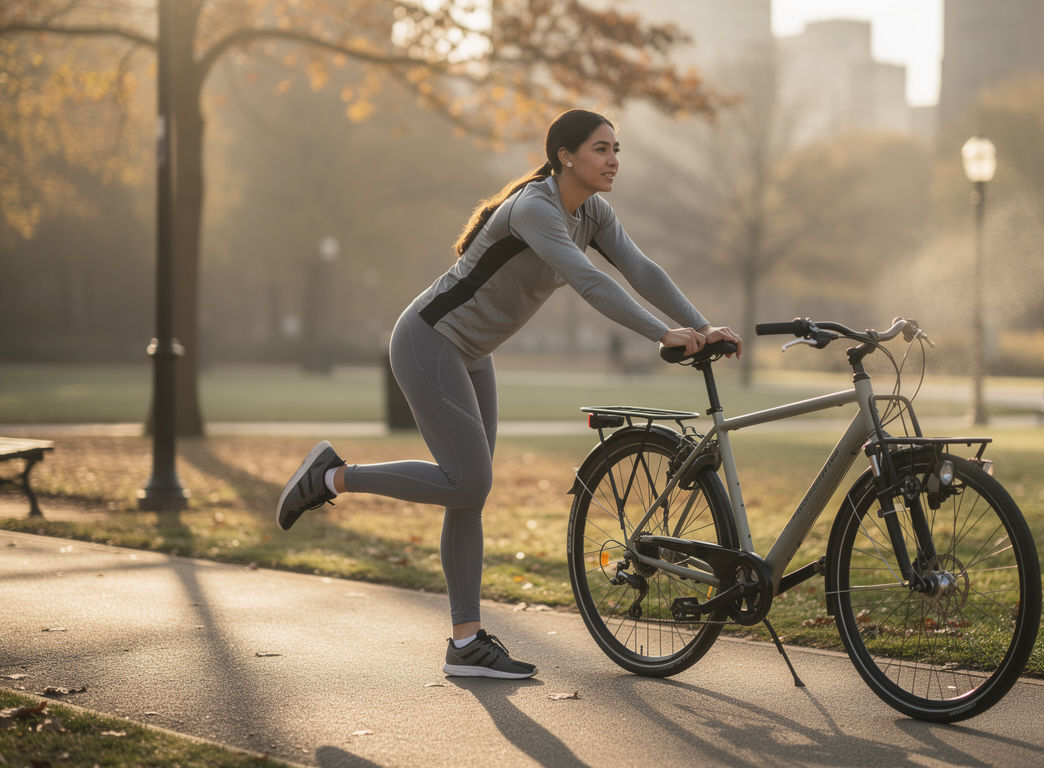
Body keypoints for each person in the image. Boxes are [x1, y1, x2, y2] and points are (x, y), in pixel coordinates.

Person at [277, 108, 741, 680]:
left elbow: (642, 270)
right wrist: (661, 333)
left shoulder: (592, 212)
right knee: (469, 481)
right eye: (601, 148)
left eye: (616, 148)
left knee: (465, 494)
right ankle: (330, 476)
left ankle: (465, 644)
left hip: (471, 353)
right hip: (429, 340)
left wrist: (702, 325)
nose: (614, 159)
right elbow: (588, 280)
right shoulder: (534, 208)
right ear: (565, 155)